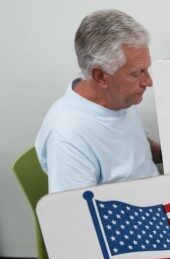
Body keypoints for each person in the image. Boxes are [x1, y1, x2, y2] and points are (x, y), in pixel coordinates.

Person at [36, 9, 160, 193]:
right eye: (136, 73)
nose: (148, 82)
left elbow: (135, 145)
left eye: (146, 70)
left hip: (157, 195)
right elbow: (75, 216)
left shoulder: (118, 98)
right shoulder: (69, 137)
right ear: (100, 76)